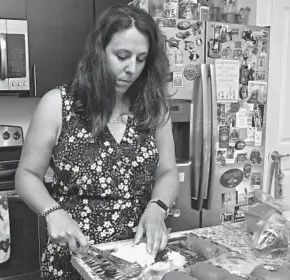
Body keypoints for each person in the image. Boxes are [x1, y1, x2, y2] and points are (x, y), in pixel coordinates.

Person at [15, 4, 179, 279]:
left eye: (141, 59)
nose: (132, 69)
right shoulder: (58, 105)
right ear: (98, 52)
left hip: (138, 258)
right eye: (122, 56)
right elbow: (27, 175)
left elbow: (168, 172)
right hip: (74, 258)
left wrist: (157, 208)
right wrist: (53, 211)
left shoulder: (154, 108)